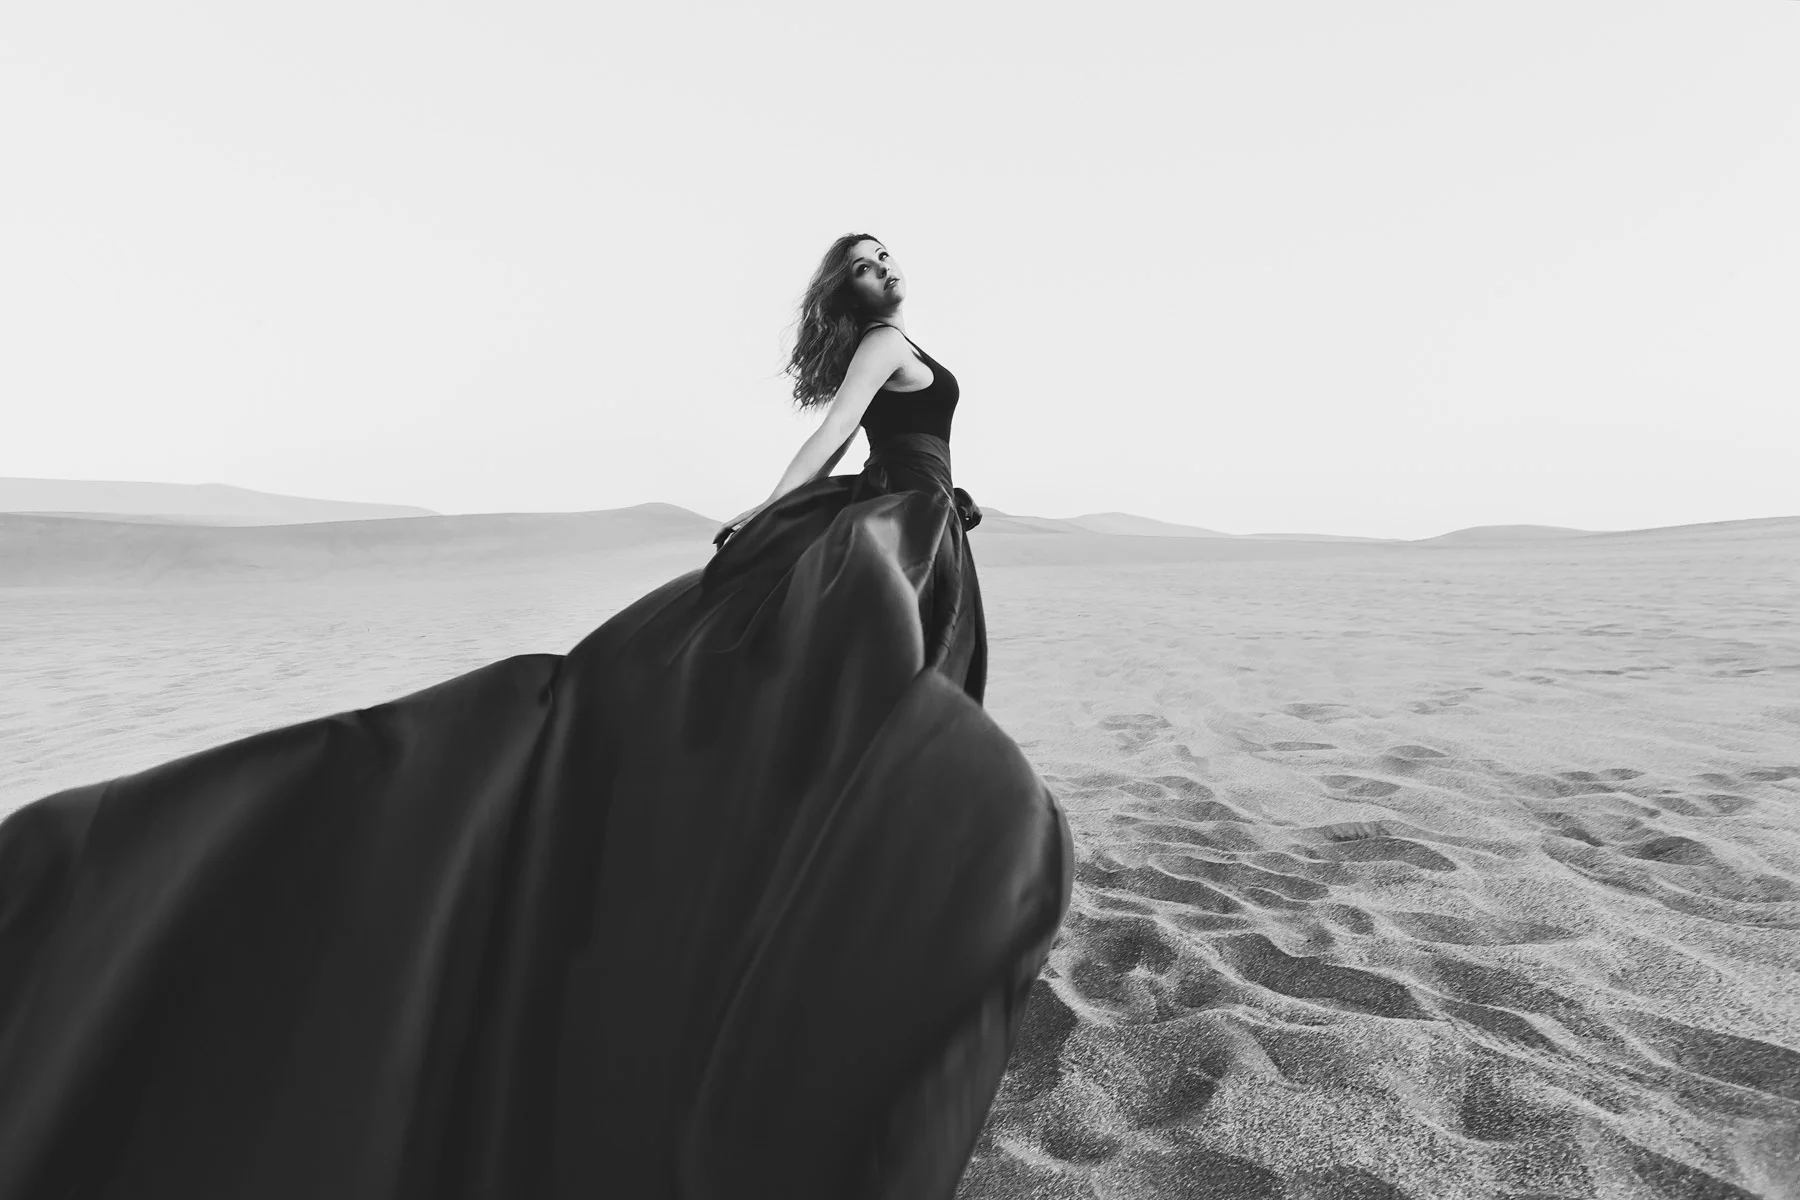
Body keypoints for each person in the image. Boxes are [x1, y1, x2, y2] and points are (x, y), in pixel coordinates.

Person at [0, 233, 1074, 1200]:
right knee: (881, 688)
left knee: (888, 691)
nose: (884, 266)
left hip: (926, 525)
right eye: (866, 259)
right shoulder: (886, 340)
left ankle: (851, 863)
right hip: (898, 531)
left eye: (885, 254)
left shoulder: (895, 335)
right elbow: (837, 438)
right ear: (854, 290)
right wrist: (772, 509)